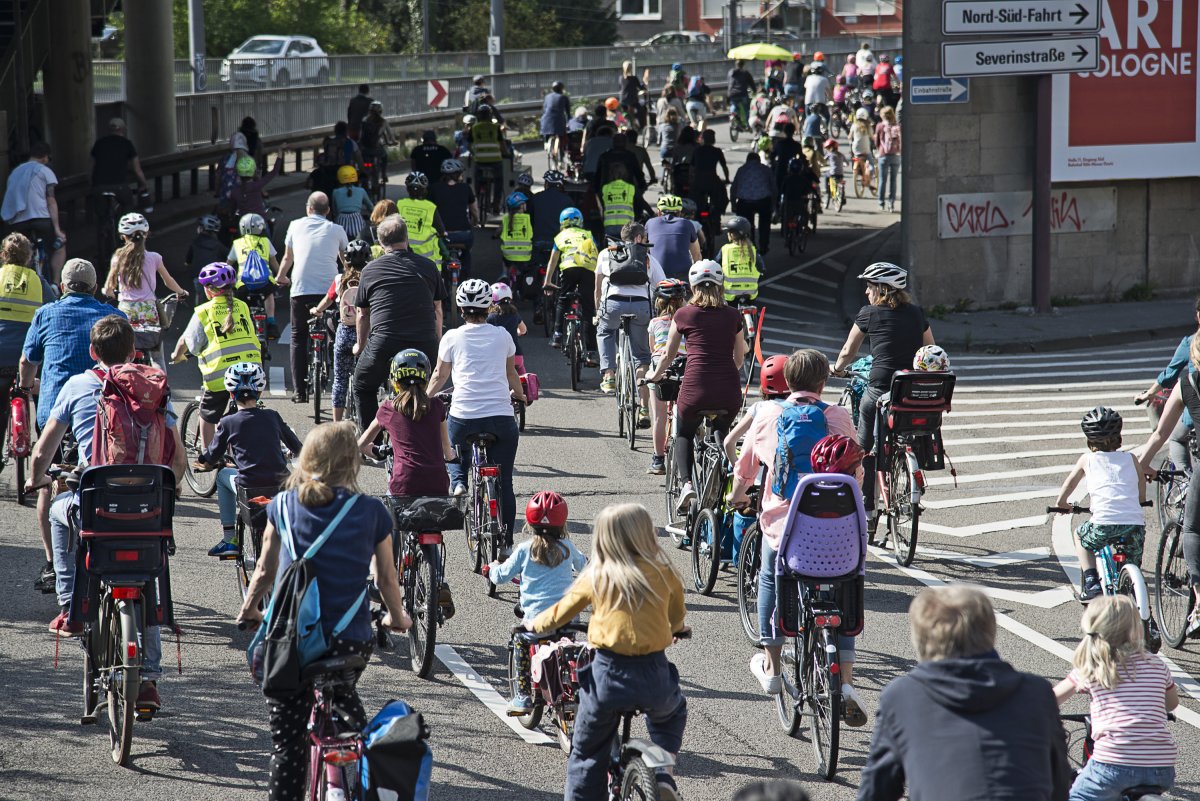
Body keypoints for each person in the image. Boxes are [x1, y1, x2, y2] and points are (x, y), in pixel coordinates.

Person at [236, 421, 411, 801]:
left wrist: (249, 610)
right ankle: (356, 748)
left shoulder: (282, 505)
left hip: (293, 644)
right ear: (352, 462)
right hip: (350, 641)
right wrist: (397, 617)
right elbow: (385, 580)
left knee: (287, 747)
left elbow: (265, 570)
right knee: (347, 702)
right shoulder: (371, 511)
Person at [25, 315, 184, 712]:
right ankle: (148, 678)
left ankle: (68, 606)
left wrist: (36, 479)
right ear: (134, 352)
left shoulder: (77, 386)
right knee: (147, 577)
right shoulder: (154, 388)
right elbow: (178, 461)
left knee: (60, 515)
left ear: (93, 352)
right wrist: (165, 490)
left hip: (96, 508)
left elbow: (45, 448)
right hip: (148, 510)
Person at [727, 352, 867, 725]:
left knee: (771, 578)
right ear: (823, 383)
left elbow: (745, 473)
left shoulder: (768, 416)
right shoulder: (837, 417)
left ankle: (772, 669)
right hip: (839, 533)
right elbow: (857, 471)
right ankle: (847, 682)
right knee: (845, 588)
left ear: (786, 382)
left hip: (784, 529)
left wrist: (736, 496)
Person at [530, 503, 688, 801]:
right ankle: (663, 773)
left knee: (586, 752)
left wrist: (533, 627)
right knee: (671, 715)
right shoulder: (663, 571)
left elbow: (559, 614)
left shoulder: (598, 575)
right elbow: (677, 614)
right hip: (654, 674)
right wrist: (676, 628)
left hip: (608, 677)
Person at [857, 586, 1072, 801]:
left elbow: (877, 790)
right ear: (990, 631)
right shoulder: (1035, 693)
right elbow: (1059, 783)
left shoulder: (903, 697)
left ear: (920, 637)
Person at [427, 279, 526, 547]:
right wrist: (520, 395)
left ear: (460, 309)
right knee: (505, 482)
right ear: (489, 306)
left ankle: (458, 482)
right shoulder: (503, 336)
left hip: (464, 415)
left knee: (452, 448)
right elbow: (511, 373)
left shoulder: (452, 337)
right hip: (501, 418)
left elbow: (440, 375)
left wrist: (424, 399)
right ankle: (505, 544)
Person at [833, 262, 933, 522]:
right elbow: (930, 349)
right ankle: (908, 465)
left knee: (864, 449)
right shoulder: (917, 313)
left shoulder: (869, 313)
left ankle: (867, 509)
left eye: (869, 286)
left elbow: (848, 352)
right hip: (909, 390)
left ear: (883, 289)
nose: (867, 292)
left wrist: (838, 368)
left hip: (879, 389)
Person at [1053, 595, 1178, 801]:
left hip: (1113, 763)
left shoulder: (1093, 667)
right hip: (1162, 767)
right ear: (1137, 629)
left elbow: (1050, 700)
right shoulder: (1156, 664)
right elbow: (1172, 704)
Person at [645, 261, 746, 511]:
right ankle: (729, 470)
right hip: (727, 390)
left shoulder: (684, 314)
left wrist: (654, 375)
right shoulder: (734, 315)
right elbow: (740, 358)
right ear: (721, 285)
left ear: (693, 286)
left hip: (695, 388)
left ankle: (687, 484)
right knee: (722, 429)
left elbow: (668, 354)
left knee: (684, 433)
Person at [489, 491, 587, 714]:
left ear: (530, 522)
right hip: (567, 618)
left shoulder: (525, 549)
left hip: (537, 621)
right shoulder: (567, 548)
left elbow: (501, 576)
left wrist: (491, 568)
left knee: (520, 641)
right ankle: (567, 679)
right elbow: (585, 567)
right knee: (566, 646)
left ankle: (523, 696)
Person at [195, 363, 302, 556]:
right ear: (259, 392)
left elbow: (212, 455)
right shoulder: (272, 416)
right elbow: (297, 447)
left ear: (231, 394)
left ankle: (229, 540)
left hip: (249, 485)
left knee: (222, 477)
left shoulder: (228, 422)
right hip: (280, 483)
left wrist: (204, 463)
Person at [353, 215, 446, 430]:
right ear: (407, 238)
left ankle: (372, 444)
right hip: (423, 342)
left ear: (379, 242)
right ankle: (426, 436)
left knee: (363, 387)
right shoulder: (429, 267)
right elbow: (438, 309)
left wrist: (361, 345)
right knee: (427, 389)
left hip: (384, 342)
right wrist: (437, 340)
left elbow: (363, 314)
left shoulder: (370, 270)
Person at [0, 232, 55, 589]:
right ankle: (40, 450)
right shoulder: (40, 283)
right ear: (31, 256)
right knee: (37, 398)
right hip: (27, 364)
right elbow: (52, 314)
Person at [1053, 408, 1148, 602]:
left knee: (1080, 536)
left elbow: (1070, 483)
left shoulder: (1087, 459)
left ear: (1089, 438)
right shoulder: (1131, 459)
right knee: (1133, 571)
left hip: (1103, 524)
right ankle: (1147, 618)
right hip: (1134, 525)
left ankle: (1091, 582)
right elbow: (1141, 483)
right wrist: (1140, 501)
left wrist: (1061, 503)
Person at [170, 263, 262, 449]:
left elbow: (190, 344)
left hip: (221, 374)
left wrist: (177, 356)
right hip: (252, 372)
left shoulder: (204, 311)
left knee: (207, 414)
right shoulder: (243, 306)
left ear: (208, 289)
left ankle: (208, 456)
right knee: (246, 405)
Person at [277, 192, 349, 404]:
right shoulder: (337, 229)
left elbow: (288, 257)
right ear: (328, 211)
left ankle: (299, 391)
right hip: (329, 289)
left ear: (308, 208)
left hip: (300, 288)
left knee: (298, 336)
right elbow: (345, 262)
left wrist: (281, 277)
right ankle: (332, 371)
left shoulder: (294, 225)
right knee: (333, 331)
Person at [358, 349, 455, 500]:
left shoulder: (388, 409)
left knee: (388, 517)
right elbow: (446, 450)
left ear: (394, 381)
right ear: (426, 379)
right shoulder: (437, 406)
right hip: (437, 486)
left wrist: (375, 451)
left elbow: (361, 444)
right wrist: (451, 455)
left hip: (403, 486)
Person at [595, 222, 665, 416]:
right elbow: (662, 286)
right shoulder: (648, 257)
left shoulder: (606, 253)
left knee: (605, 330)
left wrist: (598, 312)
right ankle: (643, 409)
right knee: (641, 357)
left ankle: (609, 374)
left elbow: (597, 287)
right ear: (638, 238)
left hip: (613, 304)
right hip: (642, 307)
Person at [309, 240, 371, 423]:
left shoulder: (339, 279)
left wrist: (317, 310)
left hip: (344, 332)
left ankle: (336, 424)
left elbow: (328, 299)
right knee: (367, 382)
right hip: (365, 334)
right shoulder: (370, 278)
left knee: (340, 379)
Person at [1135, 300, 1200, 470]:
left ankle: (1187, 481)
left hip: (1192, 414)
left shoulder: (1190, 344)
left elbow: (1169, 375)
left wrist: (1149, 393)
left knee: (1176, 438)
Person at [101, 213, 189, 329]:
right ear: (146, 234)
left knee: (125, 344)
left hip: (126, 310)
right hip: (148, 310)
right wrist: (181, 292)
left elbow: (108, 289)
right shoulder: (155, 257)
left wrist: (109, 293)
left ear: (123, 236)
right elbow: (168, 281)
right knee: (152, 342)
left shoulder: (118, 258)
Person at [1, 142, 65, 281]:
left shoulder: (15, 172)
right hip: (41, 220)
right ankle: (55, 283)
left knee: (18, 252)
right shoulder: (44, 170)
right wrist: (58, 230)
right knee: (59, 246)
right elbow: (51, 201)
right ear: (45, 157)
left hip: (17, 223)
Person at [544, 207, 599, 364]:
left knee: (563, 299)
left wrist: (547, 282)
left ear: (562, 223)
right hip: (588, 270)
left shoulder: (560, 236)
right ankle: (591, 351)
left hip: (569, 269)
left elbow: (553, 261)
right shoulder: (587, 234)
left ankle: (557, 335)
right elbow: (597, 253)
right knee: (588, 310)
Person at [646, 278, 688, 475]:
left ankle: (658, 460)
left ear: (659, 302)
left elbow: (653, 349)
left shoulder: (654, 323)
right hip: (683, 366)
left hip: (661, 368)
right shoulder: (687, 321)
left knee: (659, 417)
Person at [228, 213, 280, 339]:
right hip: (265, 282)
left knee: (240, 302)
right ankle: (271, 322)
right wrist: (282, 277)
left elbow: (228, 265)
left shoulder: (237, 243)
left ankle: (241, 326)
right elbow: (275, 264)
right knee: (269, 294)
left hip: (243, 284)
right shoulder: (265, 241)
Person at [430, 159, 478, 279]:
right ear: (458, 174)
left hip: (443, 236)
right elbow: (475, 212)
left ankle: (439, 276)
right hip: (463, 235)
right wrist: (474, 223)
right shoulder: (466, 188)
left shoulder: (434, 188)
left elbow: (429, 211)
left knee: (439, 253)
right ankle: (466, 275)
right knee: (466, 252)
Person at [90, 118, 148, 215]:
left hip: (99, 186)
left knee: (101, 213)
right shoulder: (127, 144)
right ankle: (123, 227)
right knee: (128, 205)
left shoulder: (99, 143)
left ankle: (102, 227)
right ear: (123, 129)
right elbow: (137, 169)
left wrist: (92, 184)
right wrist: (144, 184)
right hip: (120, 186)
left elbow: (90, 167)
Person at [645, 195, 700, 282]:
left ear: (659, 212)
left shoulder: (650, 223)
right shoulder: (687, 224)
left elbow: (643, 248)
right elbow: (696, 255)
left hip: (658, 274)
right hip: (683, 275)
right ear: (679, 212)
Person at [730, 154, 775, 256]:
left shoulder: (741, 169)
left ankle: (748, 243)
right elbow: (773, 188)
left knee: (745, 224)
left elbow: (734, 188)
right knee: (764, 222)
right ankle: (764, 245)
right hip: (763, 201)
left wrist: (733, 204)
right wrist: (773, 205)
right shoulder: (765, 169)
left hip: (745, 202)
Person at [229, 146, 285, 220]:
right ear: (253, 171)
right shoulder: (256, 185)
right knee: (267, 229)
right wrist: (280, 151)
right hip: (259, 222)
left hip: (243, 224)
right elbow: (274, 171)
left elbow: (232, 210)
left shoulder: (234, 191)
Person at [718, 216, 761, 304]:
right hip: (751, 291)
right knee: (753, 309)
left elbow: (715, 264)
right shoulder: (752, 249)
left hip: (730, 292)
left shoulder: (725, 249)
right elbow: (761, 267)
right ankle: (754, 317)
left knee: (728, 314)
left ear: (731, 235)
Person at [690, 128, 730, 222]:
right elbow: (724, 167)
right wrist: (727, 179)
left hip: (698, 181)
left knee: (695, 201)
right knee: (721, 197)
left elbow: (691, 168)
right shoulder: (717, 151)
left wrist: (691, 179)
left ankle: (696, 217)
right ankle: (717, 216)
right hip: (712, 181)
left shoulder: (697, 151)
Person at [488, 283, 527, 372]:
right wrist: (517, 332)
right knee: (522, 374)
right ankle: (525, 385)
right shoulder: (515, 314)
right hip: (516, 355)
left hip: (498, 357)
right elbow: (523, 330)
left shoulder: (490, 317)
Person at [186, 215, 228, 299]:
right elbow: (228, 257)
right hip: (215, 277)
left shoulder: (195, 243)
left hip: (199, 276)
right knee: (217, 298)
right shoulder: (218, 245)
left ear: (201, 228)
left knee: (200, 299)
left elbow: (188, 261)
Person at [359, 102, 397, 184]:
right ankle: (383, 174)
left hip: (366, 150)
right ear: (381, 111)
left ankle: (363, 175)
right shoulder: (383, 121)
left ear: (370, 110)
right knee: (385, 157)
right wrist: (393, 142)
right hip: (377, 149)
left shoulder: (364, 120)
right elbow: (390, 134)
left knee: (364, 162)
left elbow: (360, 135)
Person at [330, 165, 372, 241]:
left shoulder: (335, 192)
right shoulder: (361, 191)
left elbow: (334, 210)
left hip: (341, 221)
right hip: (357, 221)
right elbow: (370, 206)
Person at [500, 191, 533, 285]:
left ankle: (504, 275)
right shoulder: (527, 218)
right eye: (524, 203)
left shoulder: (506, 218)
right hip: (525, 255)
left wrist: (495, 235)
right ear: (521, 205)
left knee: (504, 259)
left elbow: (499, 231)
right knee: (523, 272)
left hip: (508, 255)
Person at [780, 157, 818, 234]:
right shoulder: (803, 178)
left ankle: (786, 236)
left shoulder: (787, 178)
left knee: (786, 217)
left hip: (788, 201)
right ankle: (803, 228)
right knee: (804, 215)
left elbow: (782, 190)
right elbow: (809, 188)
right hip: (799, 201)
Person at [875, 105, 902, 212]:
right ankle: (891, 203)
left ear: (882, 115)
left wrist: (879, 150)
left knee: (882, 180)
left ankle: (881, 202)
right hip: (895, 155)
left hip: (883, 155)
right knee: (893, 180)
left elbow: (877, 141)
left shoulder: (880, 126)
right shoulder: (897, 126)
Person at [541, 81, 571, 164]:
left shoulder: (547, 97)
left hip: (546, 120)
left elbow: (544, 110)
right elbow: (568, 112)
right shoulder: (563, 97)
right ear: (561, 89)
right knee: (561, 137)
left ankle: (546, 143)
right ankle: (561, 158)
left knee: (546, 130)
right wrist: (569, 122)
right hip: (559, 121)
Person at [849, 108, 876, 195]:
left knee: (856, 158)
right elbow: (872, 137)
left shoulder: (854, 125)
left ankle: (859, 172)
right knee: (871, 165)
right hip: (866, 150)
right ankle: (869, 179)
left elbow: (849, 136)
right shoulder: (868, 126)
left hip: (856, 149)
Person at [727, 60, 756, 131]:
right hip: (743, 93)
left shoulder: (731, 73)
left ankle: (732, 115)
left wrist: (728, 95)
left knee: (734, 105)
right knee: (747, 108)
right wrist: (755, 91)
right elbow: (751, 83)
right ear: (743, 65)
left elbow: (729, 83)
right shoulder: (746, 73)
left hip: (732, 93)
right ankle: (747, 124)